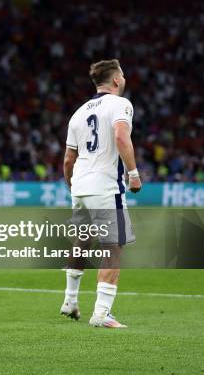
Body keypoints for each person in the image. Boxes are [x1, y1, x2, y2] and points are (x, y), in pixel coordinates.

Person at [61, 59, 141, 328]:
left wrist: (73, 186)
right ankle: (102, 314)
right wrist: (133, 173)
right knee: (112, 248)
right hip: (106, 187)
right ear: (116, 80)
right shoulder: (121, 104)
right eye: (123, 74)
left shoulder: (78, 113)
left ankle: (70, 300)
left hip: (81, 187)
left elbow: (68, 160)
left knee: (81, 242)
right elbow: (121, 137)